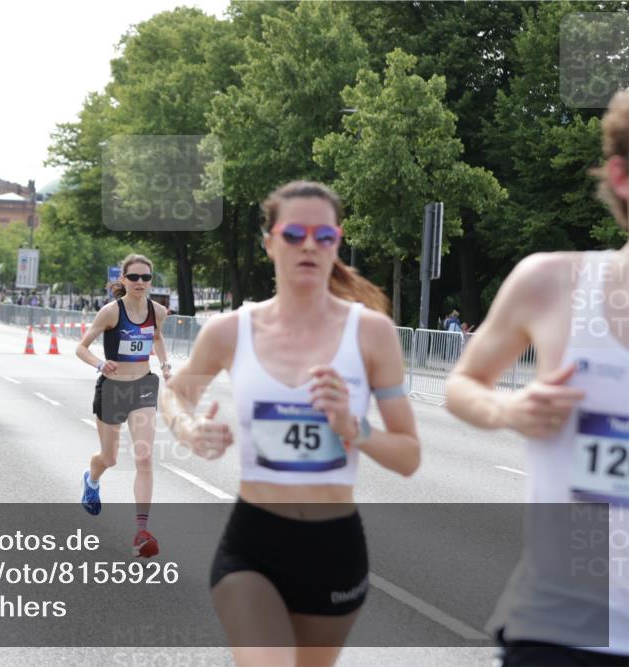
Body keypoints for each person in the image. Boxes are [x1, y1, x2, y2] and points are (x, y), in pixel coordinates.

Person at [159, 181, 420, 666]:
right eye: (295, 232)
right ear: (270, 242)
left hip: (334, 548)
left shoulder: (372, 334)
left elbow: (408, 455)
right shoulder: (230, 330)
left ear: (337, 243)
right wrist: (189, 429)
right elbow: (174, 394)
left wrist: (352, 426)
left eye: (324, 236)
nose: (309, 245)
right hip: (253, 545)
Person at [446, 90, 629, 666]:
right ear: (621, 177)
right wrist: (510, 410)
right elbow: (462, 384)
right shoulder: (553, 284)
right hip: (563, 632)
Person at [76, 253, 173, 558]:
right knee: (110, 457)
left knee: (144, 458)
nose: (140, 283)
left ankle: (141, 531)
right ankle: (91, 479)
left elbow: (156, 338)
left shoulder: (157, 311)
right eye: (134, 277)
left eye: (146, 278)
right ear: (123, 279)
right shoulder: (110, 312)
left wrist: (165, 363)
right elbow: (81, 347)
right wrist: (100, 364)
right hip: (113, 388)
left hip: (143, 385)